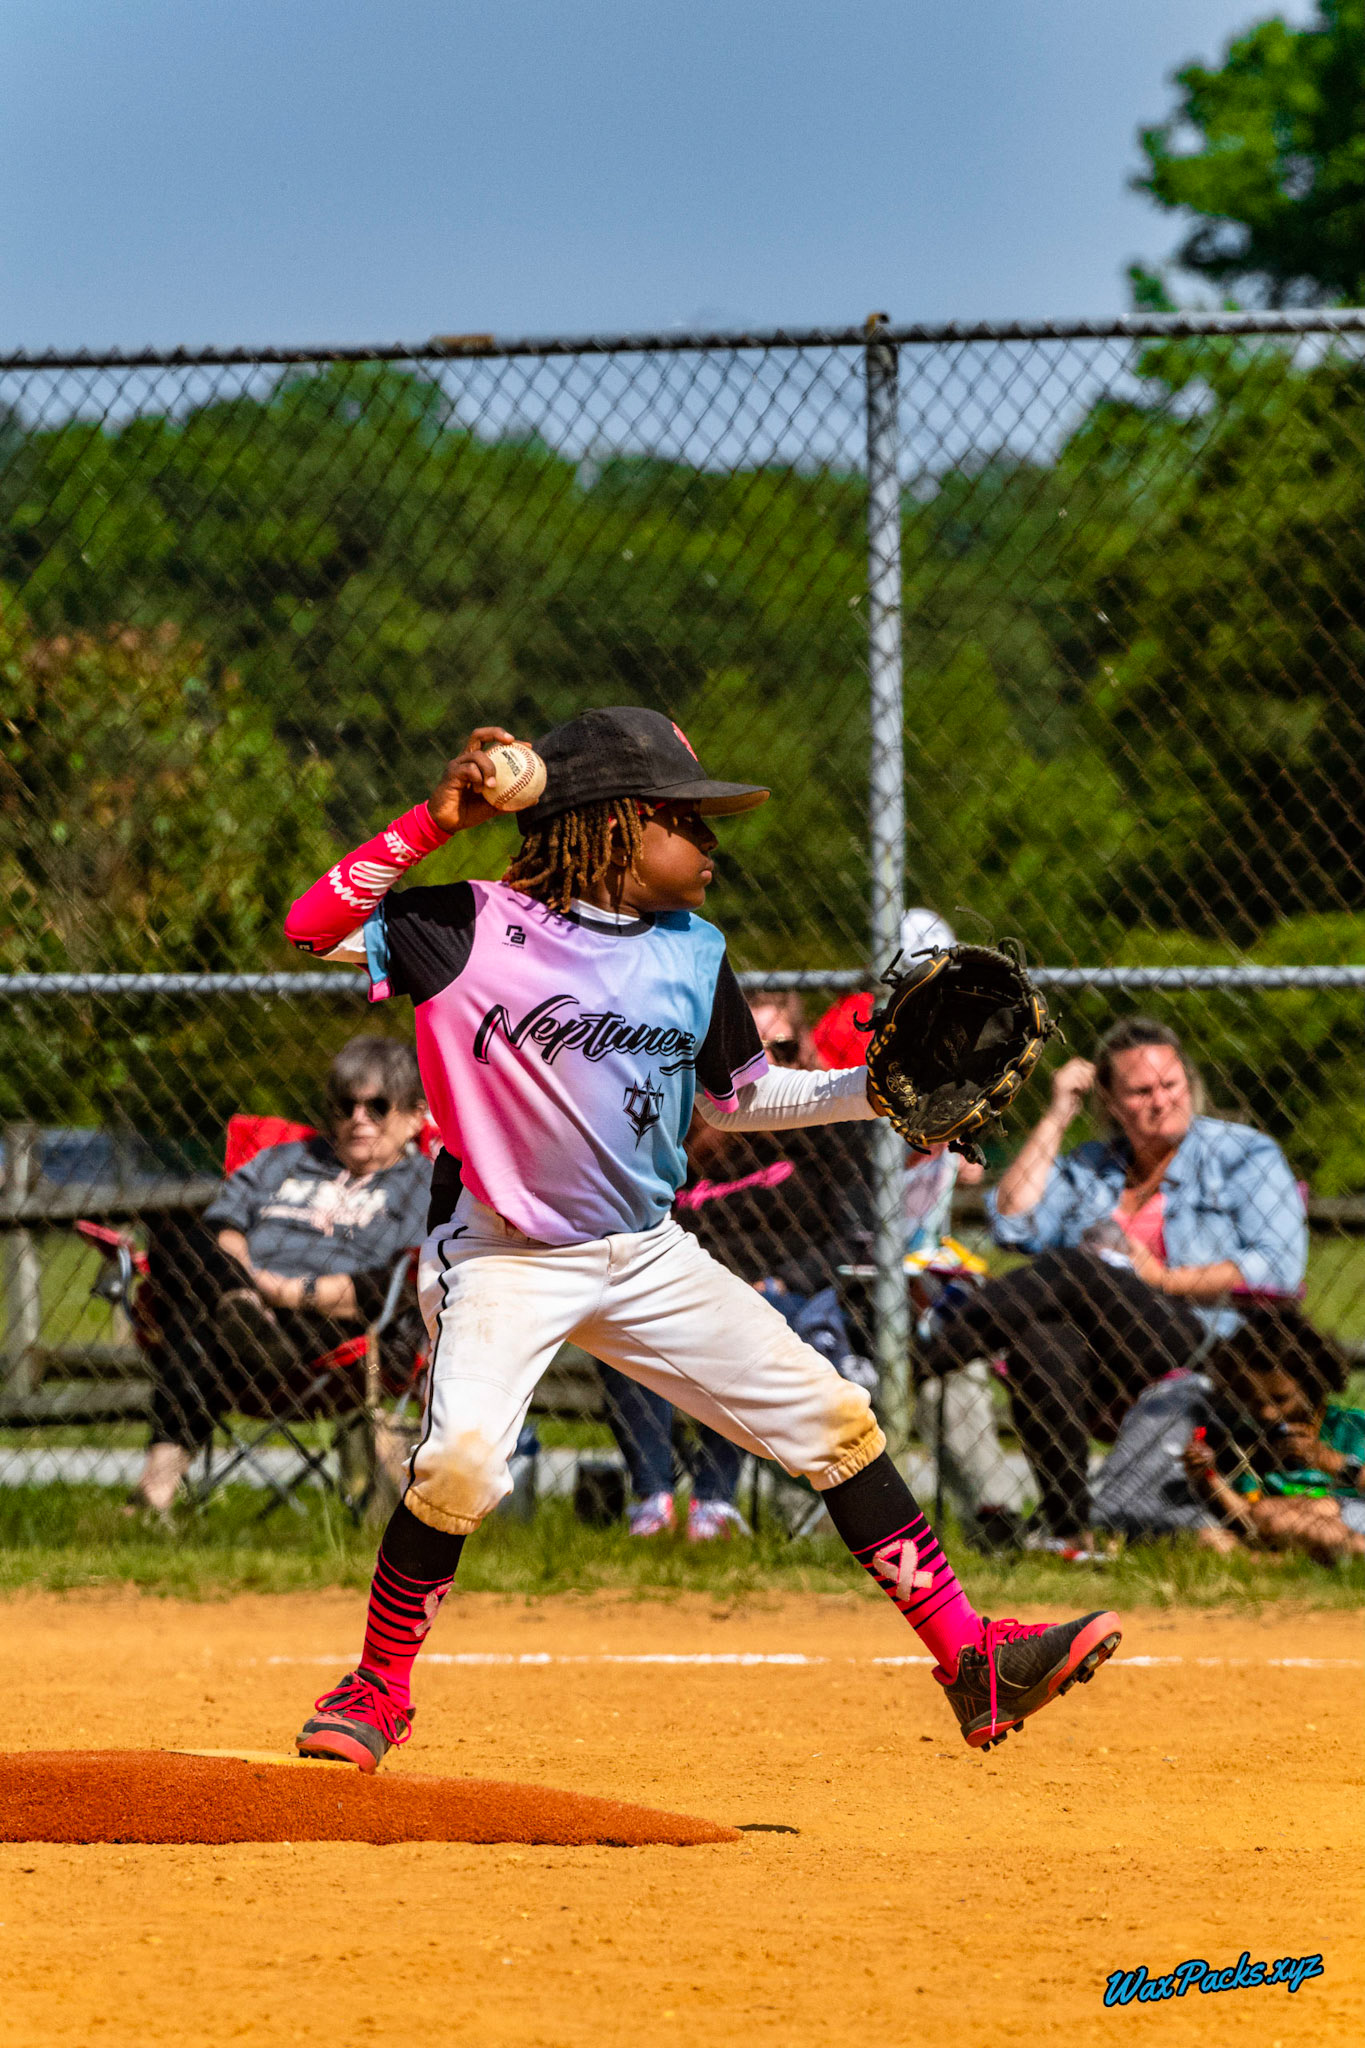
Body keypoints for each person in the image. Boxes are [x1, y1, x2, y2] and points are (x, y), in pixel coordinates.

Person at [281, 707, 1119, 1769]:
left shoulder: (693, 950)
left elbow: (742, 1095)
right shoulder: (465, 926)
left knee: (833, 1416)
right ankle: (376, 1686)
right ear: (618, 824)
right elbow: (313, 922)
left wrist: (874, 1092)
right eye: (690, 819)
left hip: (642, 1249)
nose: (713, 843)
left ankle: (971, 1659)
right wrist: (434, 822)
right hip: (499, 1248)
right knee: (458, 1463)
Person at [926, 1017, 1307, 1545]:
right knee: (1044, 1341)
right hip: (1109, 1357)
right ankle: (1070, 1532)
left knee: (1077, 1268)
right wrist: (1059, 1112)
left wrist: (1165, 1280)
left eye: (1172, 1085)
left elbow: (1278, 1267)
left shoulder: (1242, 1155)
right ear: (1110, 1100)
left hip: (1209, 1348)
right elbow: (1012, 1222)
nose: (1161, 1100)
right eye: (1142, 1090)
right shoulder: (1093, 1166)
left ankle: (923, 1359)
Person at [130, 1038, 431, 1512]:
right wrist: (243, 1289)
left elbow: (398, 1281)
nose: (358, 1118)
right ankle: (240, 1312)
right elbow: (223, 1226)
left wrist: (281, 1291)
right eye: (344, 1105)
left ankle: (154, 1491)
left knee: (195, 1324)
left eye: (377, 1106)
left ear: (416, 1116)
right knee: (173, 1232)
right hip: (240, 1306)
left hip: (327, 1334)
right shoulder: (285, 1159)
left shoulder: (425, 1183)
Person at [1093, 1304, 1365, 1561]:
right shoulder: (1243, 1440)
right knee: (1235, 1529)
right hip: (1279, 1530)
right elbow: (1248, 1516)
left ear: (1315, 1386)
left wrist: (1330, 1460)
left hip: (1352, 1517)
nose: (1267, 1413)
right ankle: (1280, 1561)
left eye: (1281, 1399)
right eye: (1252, 1399)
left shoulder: (1351, 1428)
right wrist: (1207, 1477)